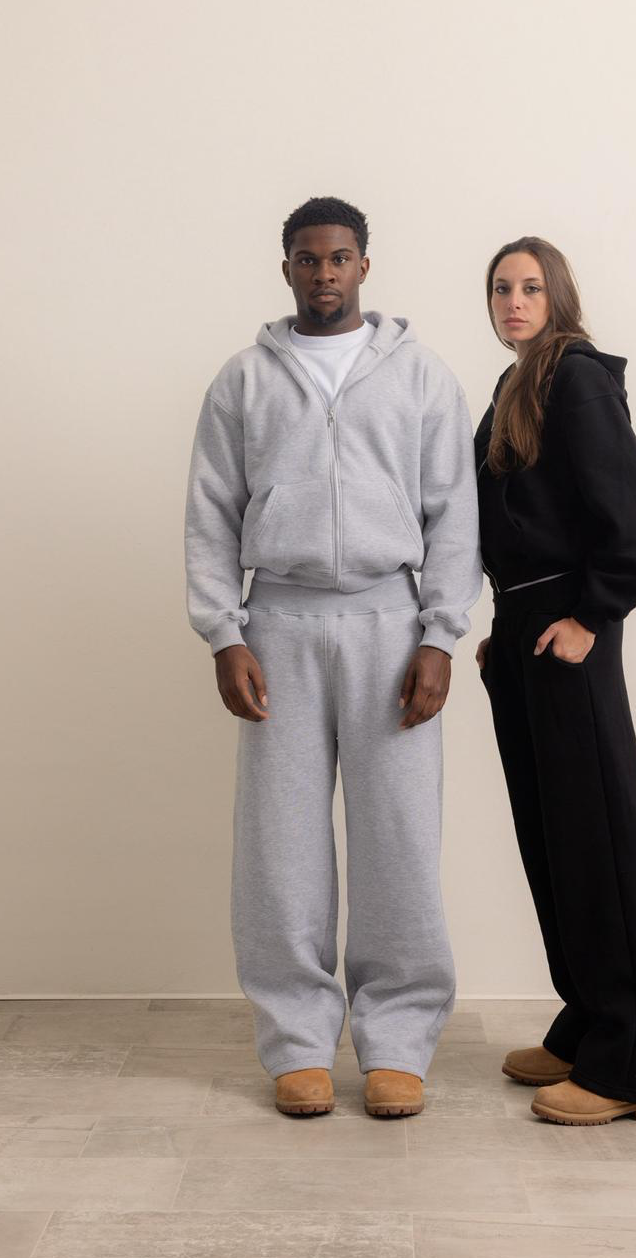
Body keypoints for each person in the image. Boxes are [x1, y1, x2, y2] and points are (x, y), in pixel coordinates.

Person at [184, 196, 481, 1119]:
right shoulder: (243, 381)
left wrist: (439, 636)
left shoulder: (422, 376)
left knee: (399, 840)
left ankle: (398, 1042)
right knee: (280, 848)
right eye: (308, 259)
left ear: (364, 266)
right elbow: (211, 513)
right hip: (279, 625)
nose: (324, 273)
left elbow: (455, 514)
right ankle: (298, 1044)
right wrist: (225, 632)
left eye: (340, 257)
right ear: (286, 269)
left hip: (392, 626)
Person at [474, 236, 636, 1125]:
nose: (514, 301)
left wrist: (591, 616)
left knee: (598, 837)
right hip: (525, 626)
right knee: (552, 837)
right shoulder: (515, 383)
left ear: (557, 294)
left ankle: (631, 1067)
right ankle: (590, 1019)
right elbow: (522, 518)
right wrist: (504, 628)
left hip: (570, 627)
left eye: (530, 287)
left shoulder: (577, 377)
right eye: (500, 289)